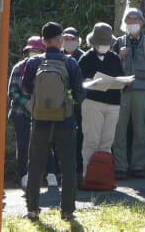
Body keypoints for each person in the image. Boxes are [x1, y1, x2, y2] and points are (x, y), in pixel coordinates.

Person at [21, 21, 84, 222]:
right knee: (67, 165)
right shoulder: (70, 62)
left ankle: (32, 210)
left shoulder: (33, 63)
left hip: (39, 120)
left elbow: (25, 88)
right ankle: (67, 211)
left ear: (43, 41)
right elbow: (80, 93)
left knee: (35, 165)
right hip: (65, 120)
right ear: (58, 40)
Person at [110, 6, 145, 179]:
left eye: (135, 19)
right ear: (124, 23)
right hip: (121, 90)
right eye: (129, 20)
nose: (132, 23)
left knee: (140, 129)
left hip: (142, 90)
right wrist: (119, 56)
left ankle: (138, 166)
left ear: (142, 22)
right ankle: (120, 167)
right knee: (119, 129)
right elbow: (110, 68)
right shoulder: (118, 43)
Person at [9, 35, 58, 190]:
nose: (34, 53)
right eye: (32, 51)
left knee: (46, 143)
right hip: (20, 112)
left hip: (43, 112)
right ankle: (24, 175)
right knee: (23, 144)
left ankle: (51, 174)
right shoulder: (19, 67)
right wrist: (26, 103)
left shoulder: (49, 67)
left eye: (38, 50)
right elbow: (12, 91)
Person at [78, 22, 125, 174]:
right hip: (92, 103)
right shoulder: (86, 58)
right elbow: (79, 82)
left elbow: (121, 78)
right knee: (91, 141)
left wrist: (124, 82)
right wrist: (89, 82)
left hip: (113, 104)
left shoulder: (114, 58)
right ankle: (88, 175)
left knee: (107, 143)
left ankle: (104, 177)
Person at [61, 27, 85, 180]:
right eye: (66, 39)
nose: (69, 42)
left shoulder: (84, 56)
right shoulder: (58, 56)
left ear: (78, 41)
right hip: (62, 104)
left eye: (72, 39)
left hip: (80, 104)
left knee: (81, 136)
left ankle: (80, 169)